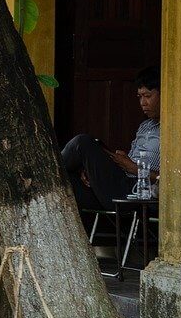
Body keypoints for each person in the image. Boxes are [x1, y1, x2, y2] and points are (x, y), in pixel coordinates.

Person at [61, 65, 161, 210]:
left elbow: (172, 181)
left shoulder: (176, 131)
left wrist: (134, 168)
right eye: (140, 97)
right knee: (68, 182)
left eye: (148, 96)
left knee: (82, 142)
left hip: (140, 192)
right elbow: (127, 167)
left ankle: (44, 171)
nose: (142, 103)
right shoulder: (145, 126)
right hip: (121, 183)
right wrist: (91, 171)